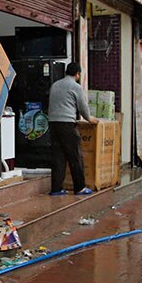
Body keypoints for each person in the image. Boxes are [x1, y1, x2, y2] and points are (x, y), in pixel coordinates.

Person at [47, 62, 98, 196]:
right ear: (77, 74)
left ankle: (56, 189)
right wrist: (89, 118)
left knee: (58, 157)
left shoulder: (55, 85)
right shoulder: (75, 87)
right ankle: (80, 187)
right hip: (66, 124)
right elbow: (82, 107)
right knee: (75, 155)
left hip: (53, 123)